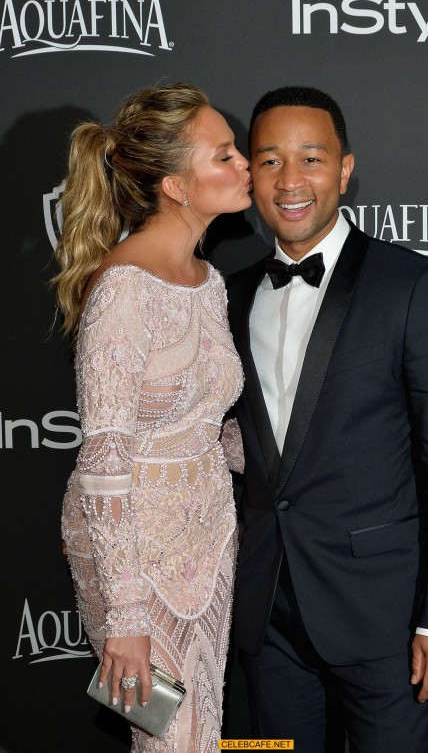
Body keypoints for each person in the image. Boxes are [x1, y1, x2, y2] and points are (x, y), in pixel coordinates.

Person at [226, 86, 428, 752]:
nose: (290, 181)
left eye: (311, 159)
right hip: (266, 618)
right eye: (270, 160)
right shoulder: (228, 295)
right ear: (250, 174)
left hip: (387, 622)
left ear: (344, 169)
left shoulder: (414, 286)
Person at [54, 83, 251, 752]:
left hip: (209, 541)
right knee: (172, 741)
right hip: (133, 557)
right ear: (175, 185)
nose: (244, 163)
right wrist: (126, 618)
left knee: (202, 735)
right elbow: (105, 460)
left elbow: (201, 421)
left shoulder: (208, 281)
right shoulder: (124, 288)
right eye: (224, 155)